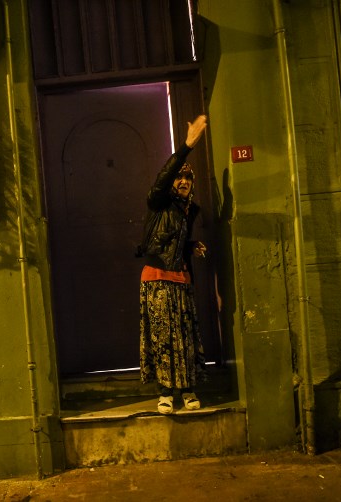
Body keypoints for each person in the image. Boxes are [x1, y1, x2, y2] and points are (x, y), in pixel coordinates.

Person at [139, 114, 209, 415]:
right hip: (156, 279)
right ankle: (165, 393)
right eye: (178, 177)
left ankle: (187, 390)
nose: (182, 181)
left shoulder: (190, 210)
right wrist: (186, 147)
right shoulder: (159, 202)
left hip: (181, 279)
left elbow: (175, 241)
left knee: (185, 337)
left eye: (188, 178)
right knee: (162, 338)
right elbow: (161, 180)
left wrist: (191, 246)